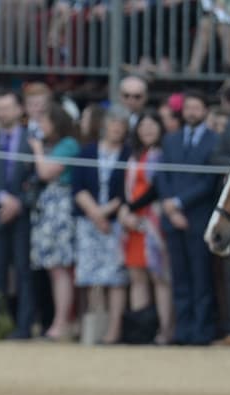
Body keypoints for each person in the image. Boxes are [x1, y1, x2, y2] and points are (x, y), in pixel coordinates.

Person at [158, 92, 219, 347]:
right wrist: (171, 207)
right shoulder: (170, 140)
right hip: (173, 218)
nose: (192, 112)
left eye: (197, 107)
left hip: (198, 217)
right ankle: (182, 331)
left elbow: (209, 182)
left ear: (205, 110)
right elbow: (162, 175)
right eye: (188, 108)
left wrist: (179, 203)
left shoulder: (214, 141)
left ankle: (201, 331)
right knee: (180, 278)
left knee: (201, 278)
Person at [71, 106, 128, 345]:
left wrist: (105, 214)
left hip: (115, 224)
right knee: (91, 277)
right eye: (112, 124)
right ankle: (94, 328)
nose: (115, 129)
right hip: (88, 222)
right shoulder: (87, 151)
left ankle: (113, 330)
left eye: (120, 126)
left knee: (115, 278)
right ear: (104, 126)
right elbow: (78, 187)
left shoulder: (128, 154)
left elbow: (127, 191)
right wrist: (96, 214)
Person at [0, 92, 35, 339]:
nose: (3, 113)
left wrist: (19, 203)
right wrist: (2, 199)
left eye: (7, 107)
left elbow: (37, 178)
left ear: (18, 109)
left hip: (26, 216)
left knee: (24, 271)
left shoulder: (33, 139)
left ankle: (24, 326)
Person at [27, 106, 81, 342]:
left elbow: (45, 172)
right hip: (49, 207)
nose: (41, 127)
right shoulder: (58, 144)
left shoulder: (68, 144)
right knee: (53, 268)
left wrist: (37, 150)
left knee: (60, 268)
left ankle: (62, 322)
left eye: (44, 122)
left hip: (60, 206)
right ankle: (59, 321)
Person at [120, 111, 173, 345]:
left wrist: (129, 207)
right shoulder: (135, 155)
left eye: (153, 125)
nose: (148, 130)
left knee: (159, 277)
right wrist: (126, 212)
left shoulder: (161, 154)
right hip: (132, 223)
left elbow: (155, 188)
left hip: (153, 221)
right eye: (144, 126)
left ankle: (164, 330)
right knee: (137, 276)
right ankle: (139, 330)